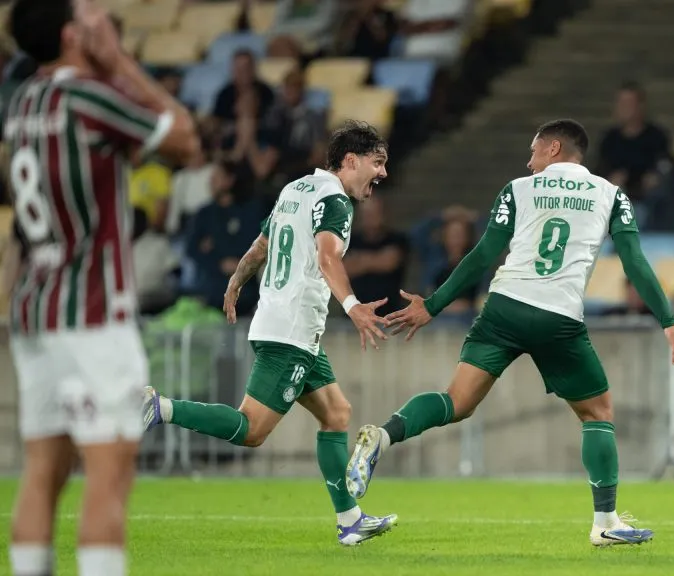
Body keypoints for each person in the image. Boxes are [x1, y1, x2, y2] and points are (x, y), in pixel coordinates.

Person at [345, 119, 674, 547]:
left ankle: (382, 436)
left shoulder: (517, 189)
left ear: (554, 148)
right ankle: (605, 521)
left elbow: (482, 256)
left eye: (534, 150)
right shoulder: (612, 195)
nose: (528, 160)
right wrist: (668, 320)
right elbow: (635, 262)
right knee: (597, 412)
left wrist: (433, 305)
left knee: (456, 401)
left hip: (503, 307)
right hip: (557, 317)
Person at [2, 0, 200, 575]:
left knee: (42, 472)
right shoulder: (88, 97)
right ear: (72, 35)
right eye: (92, 19)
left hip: (35, 311)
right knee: (108, 472)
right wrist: (119, 65)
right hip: (93, 313)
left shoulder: (21, 105)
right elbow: (185, 140)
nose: (103, 25)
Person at [142, 122, 398, 546]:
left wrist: (236, 281)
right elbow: (328, 255)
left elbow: (260, 245)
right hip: (292, 332)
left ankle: (350, 521)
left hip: (284, 326)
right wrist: (353, 307)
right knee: (252, 429)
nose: (383, 174)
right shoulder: (335, 200)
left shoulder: (295, 189)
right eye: (378, 163)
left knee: (336, 413)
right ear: (351, 161)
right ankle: (160, 407)